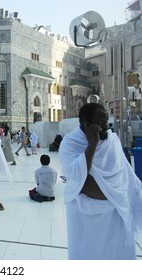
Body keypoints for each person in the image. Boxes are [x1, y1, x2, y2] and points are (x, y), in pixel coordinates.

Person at [59, 103, 142, 260]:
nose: (105, 126)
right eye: (99, 122)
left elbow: (123, 173)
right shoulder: (69, 144)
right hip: (86, 219)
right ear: (85, 123)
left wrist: (116, 195)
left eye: (106, 121)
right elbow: (79, 181)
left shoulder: (112, 140)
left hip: (117, 212)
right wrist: (92, 144)